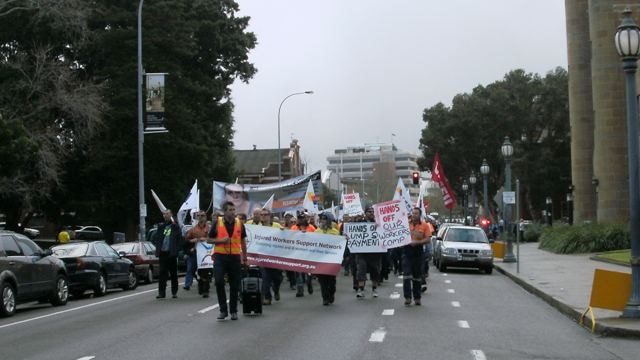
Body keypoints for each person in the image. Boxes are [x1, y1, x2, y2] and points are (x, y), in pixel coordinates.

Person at [208, 201, 248, 321]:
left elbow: (243, 242)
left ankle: (233, 311)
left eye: (233, 209)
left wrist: (245, 258)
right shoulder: (217, 222)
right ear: (224, 211)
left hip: (235, 257)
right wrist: (220, 241)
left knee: (234, 285)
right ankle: (223, 310)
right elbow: (208, 240)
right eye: (230, 210)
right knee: (219, 281)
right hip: (220, 256)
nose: (232, 212)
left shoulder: (239, 223)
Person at [403, 207, 431, 306]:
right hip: (407, 251)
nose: (414, 215)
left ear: (420, 215)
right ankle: (407, 297)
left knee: (417, 277)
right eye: (413, 213)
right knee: (406, 275)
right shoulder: (405, 224)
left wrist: (418, 242)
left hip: (418, 252)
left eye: (416, 213)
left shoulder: (425, 225)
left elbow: (428, 239)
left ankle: (417, 297)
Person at [355, 207, 384, 299]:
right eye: (369, 212)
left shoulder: (378, 223)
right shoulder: (359, 223)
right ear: (365, 213)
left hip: (375, 253)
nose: (371, 213)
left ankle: (374, 289)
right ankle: (361, 290)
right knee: (361, 271)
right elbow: (353, 233)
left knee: (375, 271)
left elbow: (384, 234)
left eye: (372, 212)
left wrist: (378, 227)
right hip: (362, 253)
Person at [153, 209, 182, 299]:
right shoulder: (161, 227)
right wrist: (158, 249)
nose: (165, 215)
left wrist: (176, 250)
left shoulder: (175, 226)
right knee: (162, 273)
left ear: (171, 215)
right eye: (164, 214)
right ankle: (161, 293)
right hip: (163, 253)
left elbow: (179, 240)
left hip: (171, 253)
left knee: (173, 273)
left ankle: (174, 292)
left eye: (167, 214)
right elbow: (157, 239)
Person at [257, 208, 283, 305]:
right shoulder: (257, 228)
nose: (263, 216)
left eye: (265, 214)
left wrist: (283, 231)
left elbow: (285, 236)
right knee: (265, 278)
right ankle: (267, 297)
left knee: (278, 278)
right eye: (262, 215)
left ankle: (276, 289)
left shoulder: (276, 226)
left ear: (269, 216)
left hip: (276, 257)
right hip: (263, 257)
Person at [315, 212, 340, 306]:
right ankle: (325, 298)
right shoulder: (316, 232)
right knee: (322, 281)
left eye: (324, 219)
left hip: (332, 260)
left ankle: (331, 294)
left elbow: (339, 245)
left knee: (331, 281)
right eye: (321, 219)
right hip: (321, 260)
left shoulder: (335, 232)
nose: (322, 221)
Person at [186, 211, 212, 298]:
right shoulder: (193, 229)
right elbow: (186, 239)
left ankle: (206, 290)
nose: (201, 217)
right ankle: (200, 283)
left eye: (202, 215)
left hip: (206, 253)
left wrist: (205, 238)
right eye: (199, 216)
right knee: (192, 270)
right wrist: (192, 241)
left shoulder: (210, 228)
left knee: (206, 271)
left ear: (206, 217)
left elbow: (215, 238)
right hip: (196, 253)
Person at [290, 210, 316, 297]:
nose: (300, 220)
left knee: (308, 272)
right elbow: (289, 238)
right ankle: (300, 289)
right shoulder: (293, 228)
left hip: (308, 254)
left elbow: (317, 238)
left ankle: (309, 283)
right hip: (297, 253)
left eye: (302, 218)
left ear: (305, 219)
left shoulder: (311, 228)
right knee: (298, 272)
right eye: (299, 218)